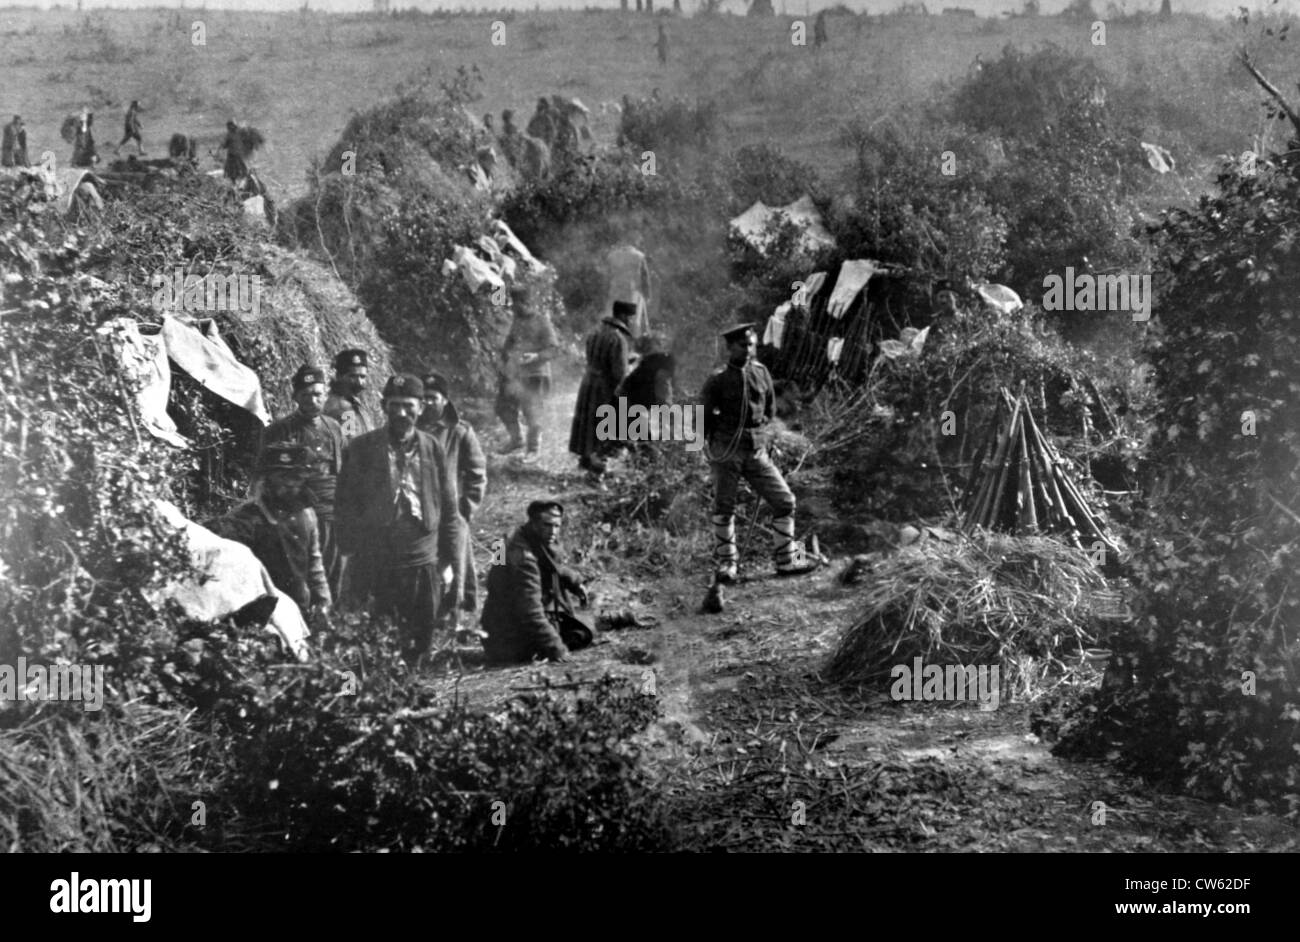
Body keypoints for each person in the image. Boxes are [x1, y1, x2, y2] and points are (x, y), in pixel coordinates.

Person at [335, 374, 461, 665]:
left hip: (422, 558)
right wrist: (350, 552)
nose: (402, 413)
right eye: (395, 405)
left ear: (421, 407)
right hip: (378, 560)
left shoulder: (432, 448)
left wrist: (449, 560)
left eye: (409, 406)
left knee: (421, 634)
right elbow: (345, 505)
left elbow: (449, 509)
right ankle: (378, 693)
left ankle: (410, 687)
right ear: (383, 406)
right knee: (376, 636)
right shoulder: (362, 448)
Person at [701, 323, 819, 583]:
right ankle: (727, 564)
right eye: (743, 346)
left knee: (785, 501)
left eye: (752, 344)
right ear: (730, 348)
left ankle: (787, 560)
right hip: (726, 451)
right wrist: (705, 450)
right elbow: (701, 418)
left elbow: (769, 410)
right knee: (724, 507)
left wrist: (767, 438)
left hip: (756, 452)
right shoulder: (717, 379)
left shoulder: (761, 373)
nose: (749, 349)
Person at [209, 443, 333, 630]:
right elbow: (214, 556)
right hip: (262, 619)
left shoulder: (306, 515)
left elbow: (315, 567)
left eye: (296, 477)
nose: (290, 484)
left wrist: (324, 605)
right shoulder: (244, 520)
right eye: (282, 477)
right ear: (266, 479)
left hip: (300, 613)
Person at [260, 365, 345, 602]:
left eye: (318, 394)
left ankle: (328, 626)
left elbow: (344, 469)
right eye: (306, 394)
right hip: (298, 513)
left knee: (333, 572)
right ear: (295, 396)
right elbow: (264, 475)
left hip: (332, 512)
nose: (312, 400)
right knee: (301, 575)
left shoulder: (335, 427)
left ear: (326, 394)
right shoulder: (280, 430)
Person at [480, 500, 594, 665]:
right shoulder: (522, 555)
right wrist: (556, 648)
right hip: (505, 639)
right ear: (533, 522)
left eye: (557, 526)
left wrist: (574, 581)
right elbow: (530, 610)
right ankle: (613, 618)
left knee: (577, 625)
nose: (553, 531)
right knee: (582, 633)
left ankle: (613, 618)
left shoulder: (518, 536)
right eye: (547, 525)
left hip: (499, 623)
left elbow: (552, 565)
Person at [418, 372, 487, 638]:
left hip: (452, 512)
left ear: (445, 400)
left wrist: (466, 509)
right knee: (430, 565)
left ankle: (456, 620)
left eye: (432, 398)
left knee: (457, 565)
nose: (427, 404)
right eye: (422, 399)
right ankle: (430, 617)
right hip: (423, 511)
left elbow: (477, 472)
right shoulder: (413, 429)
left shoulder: (460, 431)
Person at [569, 299, 636, 481]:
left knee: (588, 423)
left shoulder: (595, 332)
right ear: (622, 316)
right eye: (630, 318)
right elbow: (619, 372)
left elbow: (597, 359)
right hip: (605, 388)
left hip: (588, 382)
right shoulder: (618, 338)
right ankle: (597, 472)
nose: (631, 322)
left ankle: (585, 460)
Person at [495, 281, 559, 462]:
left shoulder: (542, 321)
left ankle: (533, 450)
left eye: (517, 304)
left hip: (536, 375)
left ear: (526, 303)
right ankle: (516, 439)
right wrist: (504, 361)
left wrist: (536, 356)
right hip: (515, 373)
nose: (513, 308)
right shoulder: (516, 320)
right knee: (502, 407)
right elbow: (509, 343)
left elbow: (554, 349)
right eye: (512, 303)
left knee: (532, 412)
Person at [324, 348, 372, 442]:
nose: (359, 382)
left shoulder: (353, 402)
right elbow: (351, 446)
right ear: (339, 376)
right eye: (352, 376)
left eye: (362, 376)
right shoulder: (342, 408)